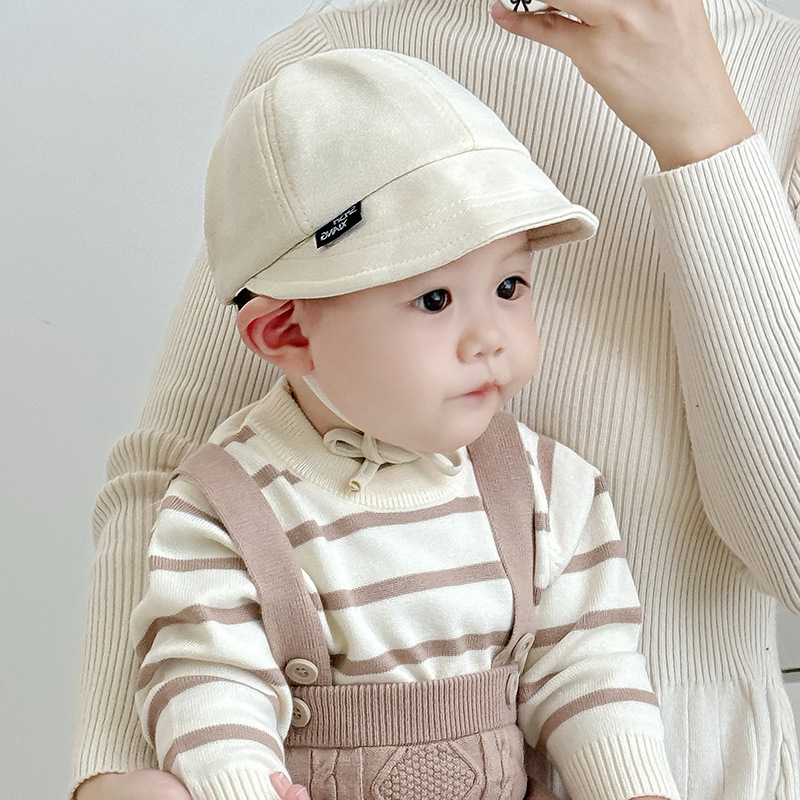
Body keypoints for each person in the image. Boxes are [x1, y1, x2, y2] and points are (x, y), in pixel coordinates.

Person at [72, 1, 800, 799]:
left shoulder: (784, 69)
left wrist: (707, 139)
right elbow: (179, 472)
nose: (489, 338)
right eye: (433, 299)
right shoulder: (330, 62)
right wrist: (115, 770)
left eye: (513, 285)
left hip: (696, 772)